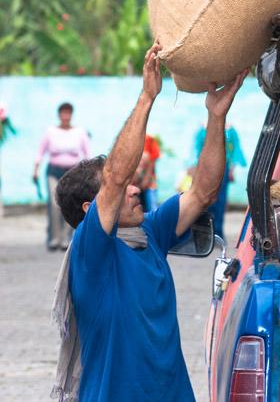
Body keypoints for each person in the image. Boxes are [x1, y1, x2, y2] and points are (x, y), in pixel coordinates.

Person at [52, 41, 247, 402]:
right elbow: (114, 177)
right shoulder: (91, 251)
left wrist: (215, 117)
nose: (134, 189)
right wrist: (147, 97)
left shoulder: (150, 234)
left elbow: (203, 191)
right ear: (88, 209)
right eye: (123, 188)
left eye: (132, 185)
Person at [33, 101, 90, 251]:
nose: (65, 116)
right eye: (63, 113)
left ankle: (66, 238)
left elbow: (87, 153)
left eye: (68, 113)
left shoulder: (79, 131)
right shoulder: (50, 131)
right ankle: (54, 238)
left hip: (72, 172)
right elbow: (40, 151)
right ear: (59, 115)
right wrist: (35, 170)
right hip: (54, 171)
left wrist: (89, 173)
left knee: (70, 203)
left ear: (71, 115)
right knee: (54, 203)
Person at [191, 121, 246, 238]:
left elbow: (234, 149)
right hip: (205, 167)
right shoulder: (203, 128)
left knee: (220, 201)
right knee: (205, 199)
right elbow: (196, 149)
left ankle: (217, 233)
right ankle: (205, 233)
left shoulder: (230, 130)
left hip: (223, 167)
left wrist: (231, 168)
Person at [133, 133, 161, 212]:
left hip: (145, 186)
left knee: (150, 208)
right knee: (151, 210)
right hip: (143, 186)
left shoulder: (146, 156)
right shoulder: (147, 156)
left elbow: (147, 179)